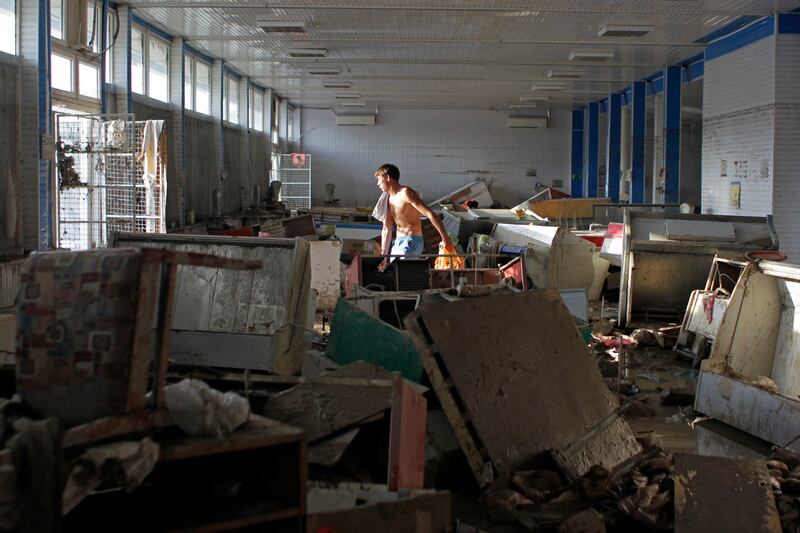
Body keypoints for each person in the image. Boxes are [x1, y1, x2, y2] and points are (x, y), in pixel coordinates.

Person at [373, 164, 454, 272]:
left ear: (388, 177)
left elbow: (430, 214)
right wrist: (383, 256)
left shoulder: (406, 193)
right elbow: (387, 228)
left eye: (379, 179)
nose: (378, 184)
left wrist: (445, 239)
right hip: (398, 242)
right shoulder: (388, 198)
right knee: (392, 271)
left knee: (402, 272)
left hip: (412, 240)